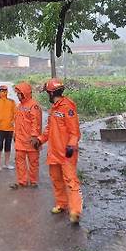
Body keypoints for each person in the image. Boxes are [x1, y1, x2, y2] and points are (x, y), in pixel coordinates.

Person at [35, 78, 83, 225]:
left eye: (47, 93)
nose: (47, 96)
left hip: (67, 152)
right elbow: (49, 129)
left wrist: (72, 145)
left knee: (71, 181)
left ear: (51, 93)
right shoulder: (54, 108)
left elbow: (75, 131)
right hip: (54, 151)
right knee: (56, 179)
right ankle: (62, 204)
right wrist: (40, 139)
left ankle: (75, 211)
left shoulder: (67, 107)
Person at [11, 82, 43, 189]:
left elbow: (36, 122)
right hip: (20, 140)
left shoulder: (34, 106)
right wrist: (15, 133)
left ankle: (33, 181)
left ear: (24, 93)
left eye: (19, 93)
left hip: (31, 140)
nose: (17, 95)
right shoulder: (19, 106)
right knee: (19, 161)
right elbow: (17, 121)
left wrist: (35, 137)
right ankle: (22, 181)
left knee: (33, 162)